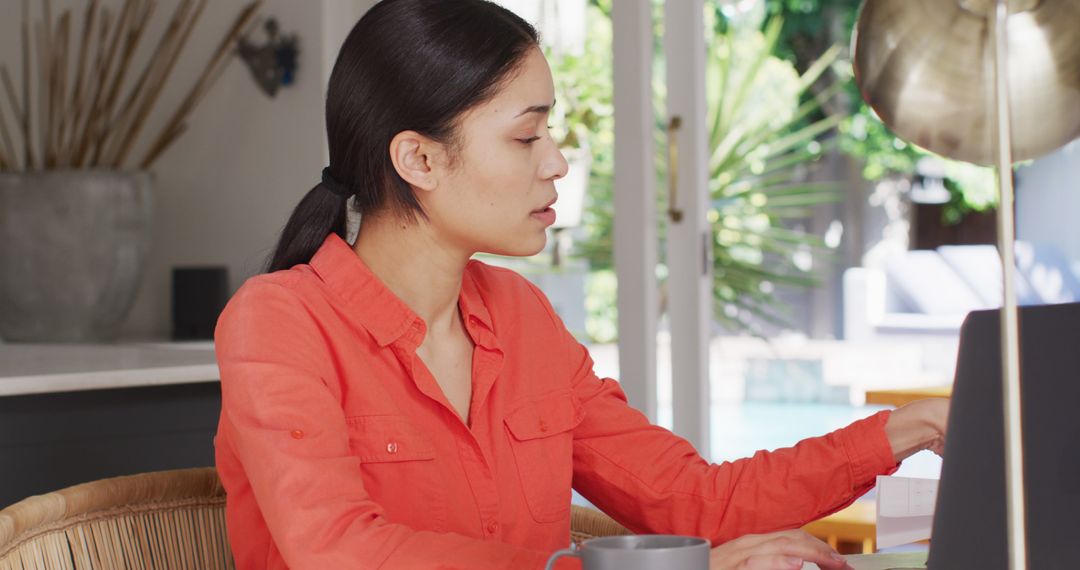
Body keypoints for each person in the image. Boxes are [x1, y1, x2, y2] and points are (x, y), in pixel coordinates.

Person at [212, 1, 949, 569]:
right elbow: (341, 551)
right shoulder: (278, 322)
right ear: (420, 160)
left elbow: (693, 500)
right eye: (526, 136)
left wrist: (911, 428)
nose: (558, 162)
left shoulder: (522, 317)